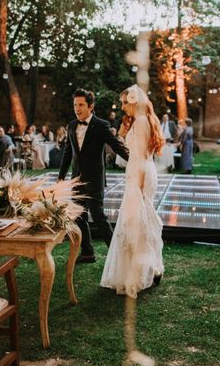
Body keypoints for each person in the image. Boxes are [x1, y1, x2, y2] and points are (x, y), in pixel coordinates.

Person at [100, 85, 164, 297]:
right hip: (137, 173)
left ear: (135, 102)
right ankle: (150, 268)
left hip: (140, 176)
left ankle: (141, 272)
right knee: (136, 222)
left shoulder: (143, 122)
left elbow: (143, 156)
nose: (122, 106)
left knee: (137, 224)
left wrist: (139, 187)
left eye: (125, 102)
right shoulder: (141, 121)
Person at [58, 88, 129, 263]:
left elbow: (116, 145)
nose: (77, 108)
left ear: (90, 106)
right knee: (79, 216)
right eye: (75, 105)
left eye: (81, 104)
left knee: (98, 216)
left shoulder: (101, 125)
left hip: (94, 180)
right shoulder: (72, 125)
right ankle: (88, 252)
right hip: (76, 179)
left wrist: (134, 159)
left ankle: (117, 255)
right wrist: (61, 177)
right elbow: (68, 153)